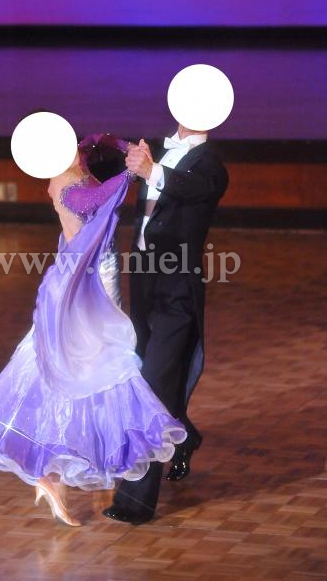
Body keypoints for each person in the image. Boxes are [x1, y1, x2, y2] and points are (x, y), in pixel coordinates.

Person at [0, 134, 186, 527]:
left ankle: (53, 477)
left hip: (95, 274)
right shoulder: (65, 183)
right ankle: (58, 469)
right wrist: (132, 172)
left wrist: (119, 145)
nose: (78, 146)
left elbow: (99, 146)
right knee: (92, 363)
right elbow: (95, 199)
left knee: (73, 366)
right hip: (87, 282)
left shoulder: (75, 163)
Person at [103, 124, 229, 524]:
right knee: (150, 376)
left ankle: (135, 501)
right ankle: (184, 437)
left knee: (152, 389)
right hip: (144, 278)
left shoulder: (211, 166)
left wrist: (152, 170)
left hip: (178, 290)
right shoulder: (156, 148)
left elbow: (188, 187)